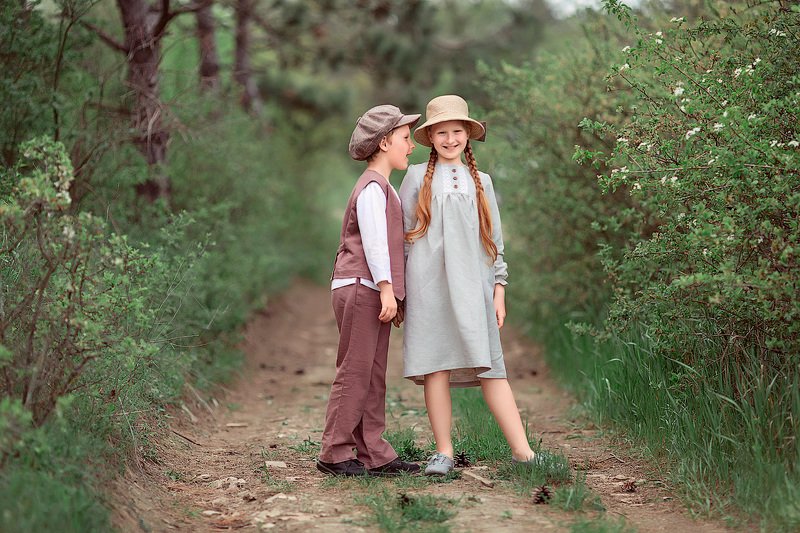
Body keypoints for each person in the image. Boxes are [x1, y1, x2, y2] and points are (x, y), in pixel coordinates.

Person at [399, 94, 537, 476]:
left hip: (474, 285)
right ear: (431, 137)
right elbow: (404, 236)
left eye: (456, 131)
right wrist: (401, 291)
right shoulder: (413, 178)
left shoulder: (483, 181)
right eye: (441, 132)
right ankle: (443, 451)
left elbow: (494, 239)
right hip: (429, 286)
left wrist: (499, 289)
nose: (449, 139)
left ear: (468, 135)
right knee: (436, 365)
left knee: (492, 367)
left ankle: (523, 451)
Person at [317, 104, 422, 477]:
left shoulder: (385, 188)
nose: (411, 146)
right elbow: (376, 245)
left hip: (371, 287)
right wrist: (387, 289)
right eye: (405, 139)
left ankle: (373, 451)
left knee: (374, 372)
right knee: (355, 370)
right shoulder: (372, 189)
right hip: (362, 285)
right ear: (382, 143)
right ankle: (334, 451)